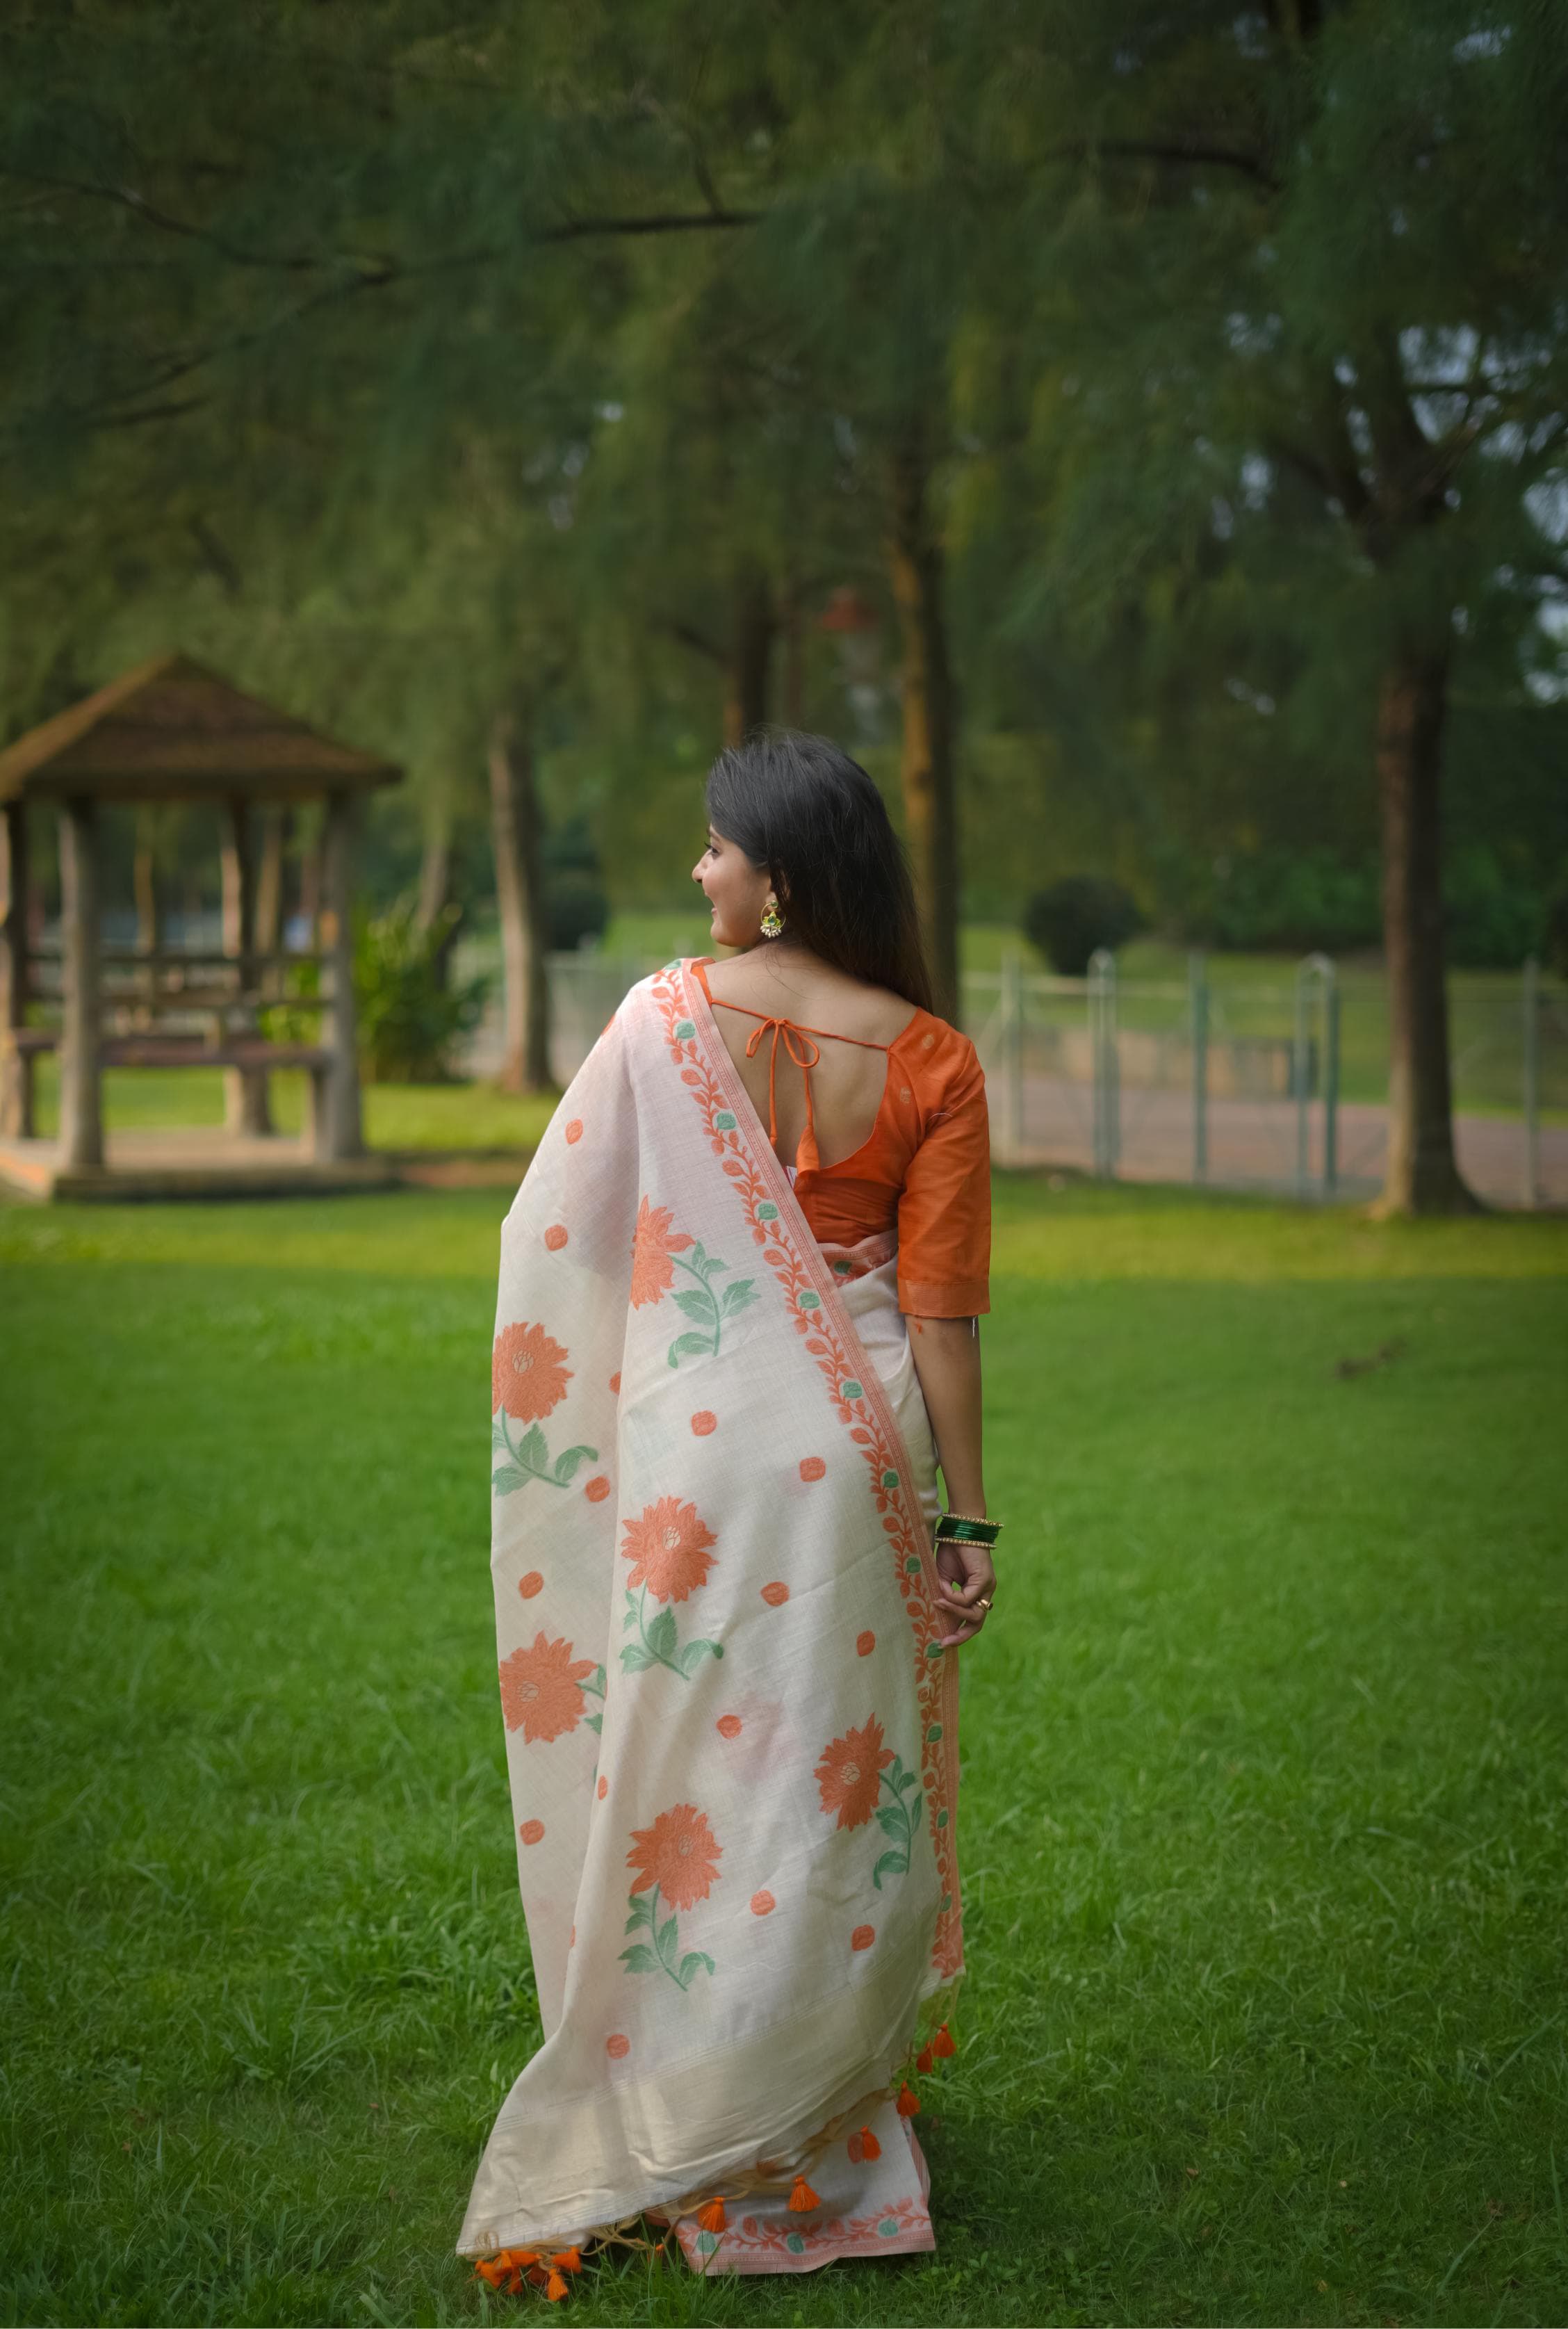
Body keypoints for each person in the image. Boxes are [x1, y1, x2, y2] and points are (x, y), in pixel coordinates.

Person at [460, 731, 998, 2296]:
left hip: (704, 1442)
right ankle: (826, 2142)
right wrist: (971, 1523)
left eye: (715, 848)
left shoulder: (663, 1021)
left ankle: (694, 2112)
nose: (699, 872)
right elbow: (949, 1314)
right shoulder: (933, 1057)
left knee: (701, 1757)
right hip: (870, 1437)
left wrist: (679, 1345)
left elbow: (565, 1225)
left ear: (776, 876)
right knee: (838, 1775)